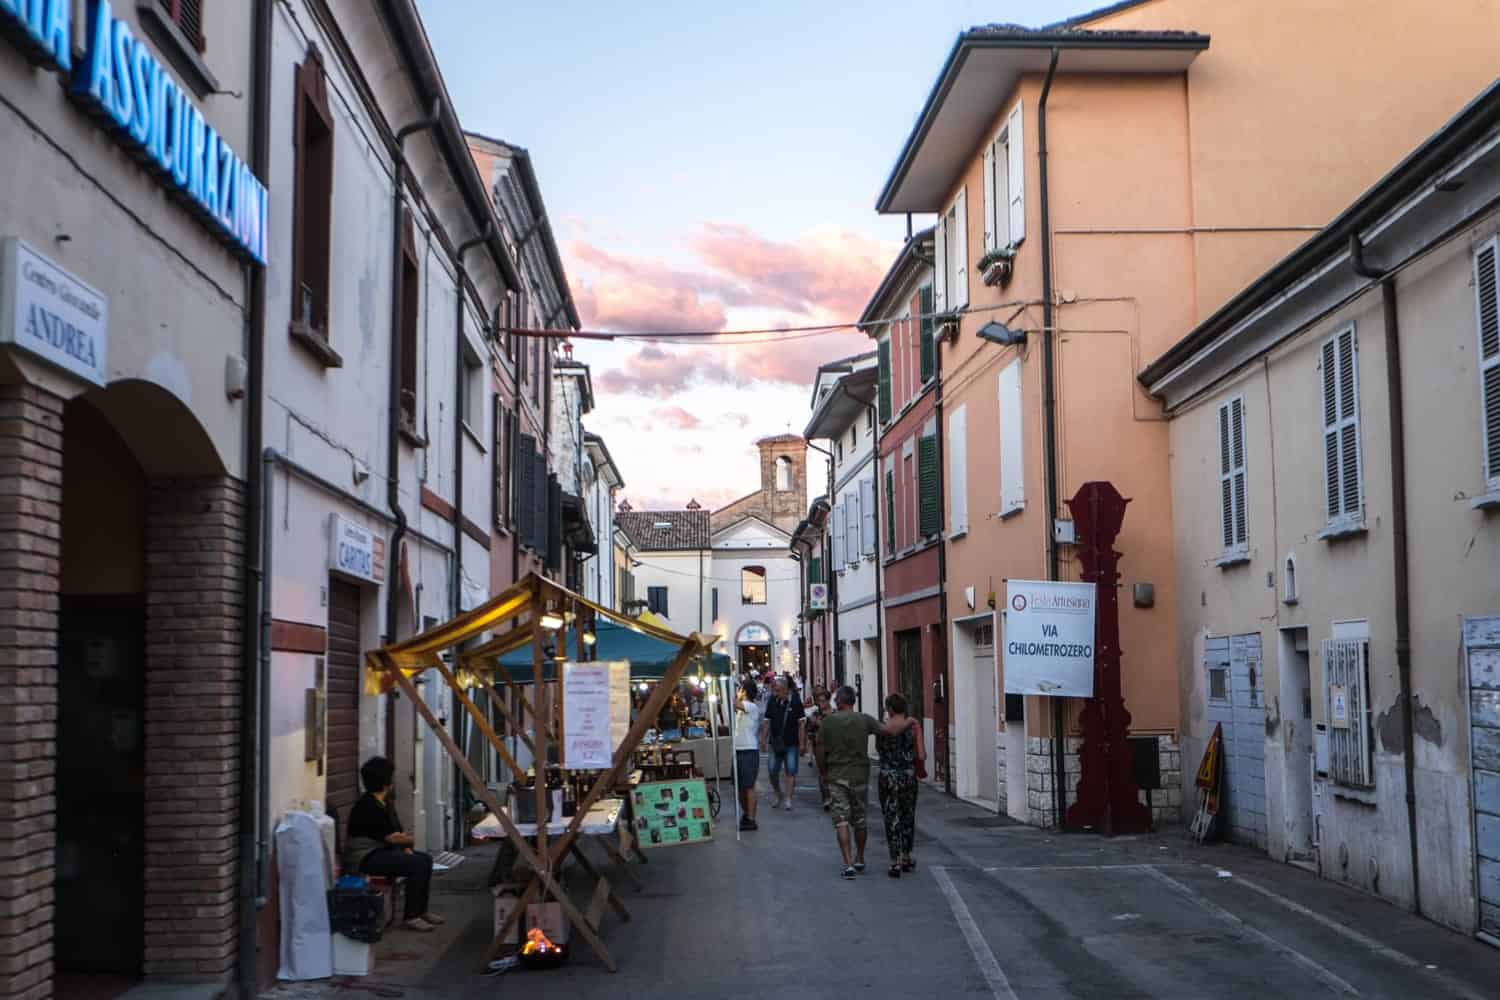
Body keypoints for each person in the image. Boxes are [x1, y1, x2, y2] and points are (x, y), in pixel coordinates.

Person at [345, 756, 444, 931]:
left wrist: (406, 846)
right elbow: (392, 837)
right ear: (386, 782)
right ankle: (412, 916)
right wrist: (408, 841)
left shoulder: (384, 803)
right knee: (417, 864)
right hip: (365, 857)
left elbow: (398, 834)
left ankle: (421, 911)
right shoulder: (368, 806)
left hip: (381, 851)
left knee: (425, 860)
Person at [817, 685, 894, 879]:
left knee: (841, 820)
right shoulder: (864, 719)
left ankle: (848, 863)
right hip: (860, 774)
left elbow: (820, 749)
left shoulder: (828, 722)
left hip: (836, 775)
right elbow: (886, 731)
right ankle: (860, 858)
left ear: (840, 701)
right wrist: (908, 721)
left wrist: (823, 772)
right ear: (853, 701)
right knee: (860, 819)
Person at [876, 693, 925, 878]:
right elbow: (921, 755)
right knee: (907, 815)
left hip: (887, 777)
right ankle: (906, 856)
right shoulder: (913, 728)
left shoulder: (883, 728)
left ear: (889, 708)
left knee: (891, 817)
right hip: (908, 776)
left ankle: (894, 861)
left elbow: (879, 749)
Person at [763, 676, 804, 810]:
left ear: (786, 690)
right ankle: (778, 793)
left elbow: (801, 724)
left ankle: (788, 799)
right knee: (772, 770)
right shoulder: (772, 701)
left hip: (792, 742)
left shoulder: (796, 702)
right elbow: (767, 721)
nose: (776, 693)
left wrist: (802, 743)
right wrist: (763, 739)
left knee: (790, 771)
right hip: (775, 742)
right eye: (774, 690)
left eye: (778, 691)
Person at [733, 677, 764, 831]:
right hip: (738, 750)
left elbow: (734, 703)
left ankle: (751, 817)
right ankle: (746, 814)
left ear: (744, 691)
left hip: (748, 750)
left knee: (748, 786)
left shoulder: (751, 706)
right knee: (739, 787)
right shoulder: (742, 708)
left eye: (740, 689)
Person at [806, 687, 833, 810]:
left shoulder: (835, 715)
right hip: (820, 748)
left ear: (828, 701)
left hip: (834, 747)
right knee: (823, 773)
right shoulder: (814, 715)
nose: (821, 703)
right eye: (819, 701)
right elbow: (809, 733)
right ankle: (826, 798)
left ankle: (834, 796)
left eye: (823, 701)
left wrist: (820, 725)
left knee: (834, 773)